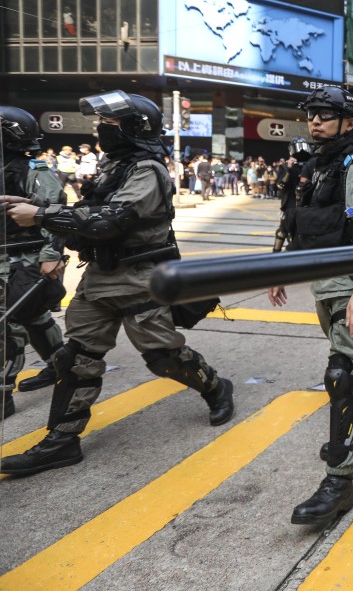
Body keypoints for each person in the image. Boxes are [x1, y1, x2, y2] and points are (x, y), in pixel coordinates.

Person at [0, 91, 235, 477]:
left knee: (163, 358)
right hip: (99, 276)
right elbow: (88, 212)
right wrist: (42, 212)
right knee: (76, 357)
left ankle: (215, 387)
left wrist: (41, 215)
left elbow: (111, 220)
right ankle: (62, 441)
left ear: (132, 128)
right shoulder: (115, 166)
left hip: (139, 278)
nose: (101, 130)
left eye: (109, 124)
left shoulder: (148, 170)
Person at [267, 86, 353, 527]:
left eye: (325, 115)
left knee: (343, 376)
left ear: (349, 123)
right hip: (325, 283)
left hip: (352, 284)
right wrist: (279, 267)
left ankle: (339, 482)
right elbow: (291, 219)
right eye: (312, 114)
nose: (315, 121)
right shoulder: (313, 166)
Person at [0, 107, 68, 412]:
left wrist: (51, 255)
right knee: (34, 318)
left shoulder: (33, 169)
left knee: (8, 324)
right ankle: (60, 365)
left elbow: (55, 213)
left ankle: (3, 392)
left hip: (23, 257)